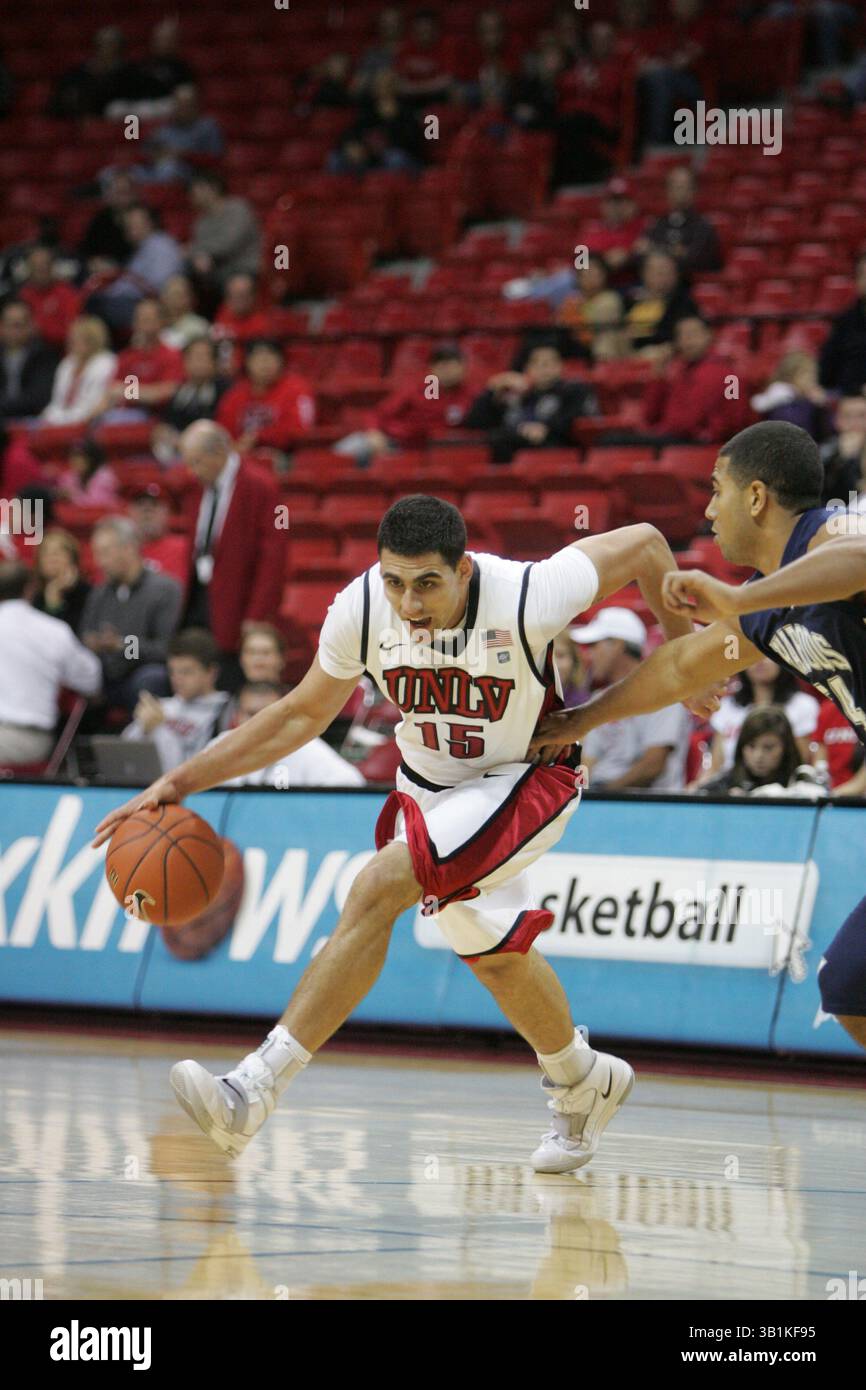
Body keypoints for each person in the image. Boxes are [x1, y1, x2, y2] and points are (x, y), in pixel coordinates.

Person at [93, 492, 708, 1168]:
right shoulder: (361, 610)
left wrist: (687, 659)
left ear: (465, 570)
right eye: (395, 582)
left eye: (427, 585)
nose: (409, 604)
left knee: (379, 885)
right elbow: (300, 715)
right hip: (428, 791)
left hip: (523, 781)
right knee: (495, 955)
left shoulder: (529, 593)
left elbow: (650, 540)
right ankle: (582, 1079)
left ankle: (252, 1091)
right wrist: (179, 782)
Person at [529, 420, 866, 1051]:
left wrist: (740, 600)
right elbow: (681, 667)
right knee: (850, 987)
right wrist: (577, 721)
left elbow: (858, 562)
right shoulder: (764, 610)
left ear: (758, 497)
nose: (709, 510)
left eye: (717, 490)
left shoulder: (831, 533)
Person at [176, 420, 286, 677]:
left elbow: (273, 557)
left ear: (218, 453)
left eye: (197, 462)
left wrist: (257, 614)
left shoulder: (260, 485)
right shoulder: (198, 487)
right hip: (200, 594)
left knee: (229, 674)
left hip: (238, 600)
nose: (192, 471)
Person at [572, 607, 691, 790]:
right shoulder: (599, 699)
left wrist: (602, 796)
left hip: (647, 803)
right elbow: (587, 762)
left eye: (595, 645)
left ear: (618, 645)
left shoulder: (664, 695)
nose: (589, 654)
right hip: (600, 796)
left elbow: (653, 765)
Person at [0, 561, 101, 764]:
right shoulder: (55, 631)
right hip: (29, 737)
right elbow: (92, 679)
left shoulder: (54, 631)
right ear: (31, 589)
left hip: (23, 739)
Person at [80, 516, 183, 708]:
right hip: (106, 672)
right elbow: (85, 634)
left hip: (142, 672)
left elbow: (165, 649)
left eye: (104, 553)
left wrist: (122, 645)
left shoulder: (165, 589)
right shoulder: (100, 592)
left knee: (149, 678)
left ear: (128, 549)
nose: (99, 562)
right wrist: (92, 643)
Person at [334, 345, 473, 464]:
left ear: (463, 366)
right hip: (394, 445)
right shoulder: (416, 389)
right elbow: (378, 413)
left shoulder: (473, 396)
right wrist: (374, 433)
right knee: (342, 453)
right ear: (432, 368)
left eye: (451, 364)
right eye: (442, 365)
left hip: (439, 453)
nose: (447, 370)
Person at [211, 680, 366, 787]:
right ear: (236, 716)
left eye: (266, 715)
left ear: (283, 717)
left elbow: (352, 783)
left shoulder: (306, 747)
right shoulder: (221, 745)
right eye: (251, 714)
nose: (258, 723)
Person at [464, 343, 598, 463]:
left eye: (550, 363)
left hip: (556, 448)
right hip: (512, 449)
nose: (544, 369)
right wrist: (492, 391)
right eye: (537, 363)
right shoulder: (512, 394)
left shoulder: (574, 390)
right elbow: (474, 423)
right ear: (527, 368)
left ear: (560, 366)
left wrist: (546, 427)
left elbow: (577, 417)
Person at [122, 627, 229, 771]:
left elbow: (191, 771)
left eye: (186, 672)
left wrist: (160, 728)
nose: (177, 679)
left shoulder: (224, 710)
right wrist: (144, 729)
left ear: (211, 672)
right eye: (172, 671)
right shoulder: (161, 706)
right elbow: (122, 758)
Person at [704, 655, 819, 775]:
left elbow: (800, 761)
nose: (759, 662)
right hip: (730, 785)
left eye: (767, 655)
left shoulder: (803, 705)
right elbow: (715, 766)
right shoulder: (727, 706)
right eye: (752, 656)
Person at [695, 705, 823, 797]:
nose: (758, 756)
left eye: (768, 747)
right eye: (751, 746)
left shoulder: (805, 788)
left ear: (786, 748)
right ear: (741, 747)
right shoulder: (718, 789)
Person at [216, 338, 315, 455]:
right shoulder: (236, 394)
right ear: (247, 363)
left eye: (270, 357)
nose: (265, 364)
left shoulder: (297, 389)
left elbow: (300, 430)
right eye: (259, 358)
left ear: (281, 361)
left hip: (288, 456)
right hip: (242, 457)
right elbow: (223, 431)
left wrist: (259, 437)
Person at [186, 172, 262, 290]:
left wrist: (198, 252)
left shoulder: (237, 208)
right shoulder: (201, 221)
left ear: (213, 188)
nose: (193, 194)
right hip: (218, 269)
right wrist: (199, 255)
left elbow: (229, 243)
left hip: (245, 266)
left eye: (197, 189)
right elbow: (200, 245)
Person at [641, 166, 722, 275]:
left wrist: (660, 249)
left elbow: (700, 259)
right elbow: (641, 251)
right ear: (667, 190)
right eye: (674, 186)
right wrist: (674, 251)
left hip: (687, 286)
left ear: (694, 191)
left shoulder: (703, 226)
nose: (679, 191)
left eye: (684, 186)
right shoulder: (658, 223)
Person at [38, 316, 116, 427]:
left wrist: (63, 420)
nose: (73, 343)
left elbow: (93, 405)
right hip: (64, 418)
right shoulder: (67, 363)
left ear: (93, 340)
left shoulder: (106, 363)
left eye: (81, 339)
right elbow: (57, 401)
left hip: (91, 421)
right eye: (72, 339)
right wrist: (50, 416)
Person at [750, 351, 831, 441]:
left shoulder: (807, 400)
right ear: (792, 375)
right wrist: (814, 405)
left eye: (814, 375)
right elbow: (795, 430)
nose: (812, 380)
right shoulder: (781, 399)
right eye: (807, 375)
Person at [0, 299, 59, 422]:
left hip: (33, 421)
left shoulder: (45, 355)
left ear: (30, 326)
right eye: (8, 324)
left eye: (18, 325)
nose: (13, 331)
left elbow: (38, 399)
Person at [17, 245, 82, 352]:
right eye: (36, 265)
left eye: (45, 264)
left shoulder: (67, 294)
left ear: (53, 266)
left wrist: (41, 330)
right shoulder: (22, 295)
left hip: (58, 353)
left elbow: (74, 332)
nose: (41, 269)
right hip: (26, 354)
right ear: (28, 268)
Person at [819, 254, 866, 397]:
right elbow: (828, 370)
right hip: (851, 398)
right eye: (863, 275)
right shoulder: (844, 322)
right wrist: (857, 389)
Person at [32, 529, 91, 632]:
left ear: (73, 559)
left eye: (59, 552)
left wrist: (55, 601)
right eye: (46, 553)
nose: (52, 558)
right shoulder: (35, 596)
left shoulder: (88, 594)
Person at [820, 394, 866, 508]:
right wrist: (844, 460)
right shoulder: (826, 452)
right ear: (837, 421)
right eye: (847, 416)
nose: (855, 423)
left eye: (862, 416)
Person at [55, 438, 120, 507]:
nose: (75, 461)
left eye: (80, 458)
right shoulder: (68, 476)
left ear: (92, 459)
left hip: (103, 515)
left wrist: (73, 496)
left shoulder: (105, 476)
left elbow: (96, 504)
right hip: (78, 515)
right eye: (73, 457)